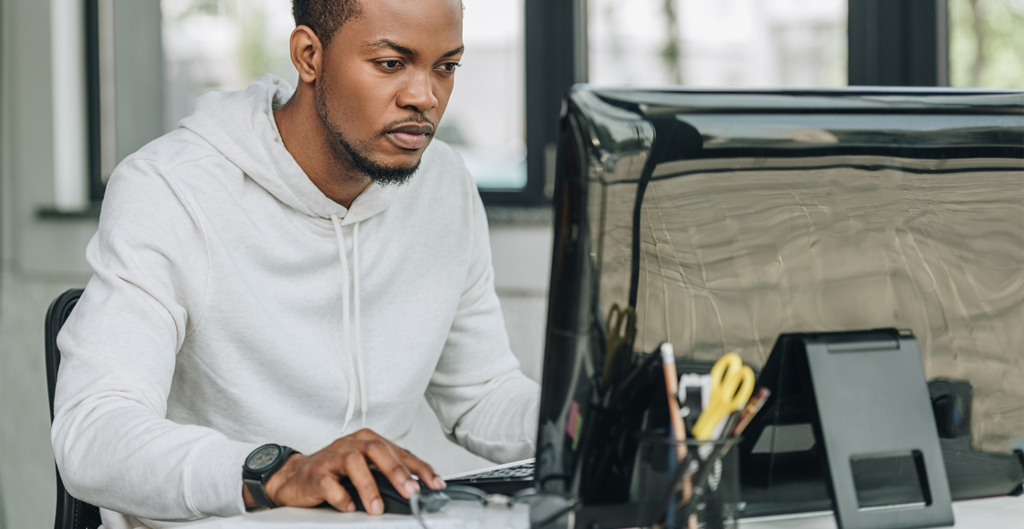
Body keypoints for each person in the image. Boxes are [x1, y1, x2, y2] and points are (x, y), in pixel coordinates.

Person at [50, 0, 540, 527]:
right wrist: (276, 473)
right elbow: (92, 432)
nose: (424, 96)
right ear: (309, 55)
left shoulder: (444, 185)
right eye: (391, 63)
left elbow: (481, 394)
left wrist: (587, 425)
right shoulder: (171, 189)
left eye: (446, 67)